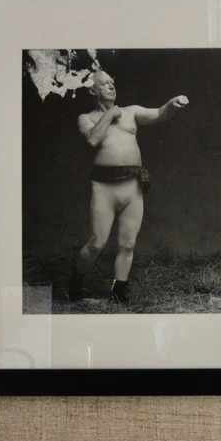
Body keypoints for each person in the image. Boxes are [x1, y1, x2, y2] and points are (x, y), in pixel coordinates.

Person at [67, 70, 188, 304]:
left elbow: (159, 114)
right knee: (97, 243)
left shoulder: (131, 112)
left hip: (133, 187)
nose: (111, 86)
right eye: (105, 84)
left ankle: (118, 293)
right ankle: (74, 284)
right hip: (104, 189)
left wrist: (172, 104)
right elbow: (93, 139)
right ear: (92, 90)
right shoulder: (86, 118)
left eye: (112, 82)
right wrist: (109, 114)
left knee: (128, 244)